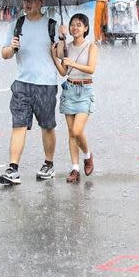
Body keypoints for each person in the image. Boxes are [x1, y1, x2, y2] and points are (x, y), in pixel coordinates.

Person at [0, 0, 61, 185]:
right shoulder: (18, 24)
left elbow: (60, 55)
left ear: (42, 1)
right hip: (22, 83)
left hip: (46, 84)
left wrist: (61, 38)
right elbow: (5, 54)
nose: (27, 3)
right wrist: (12, 47)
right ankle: (13, 168)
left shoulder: (52, 24)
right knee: (19, 125)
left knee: (47, 126)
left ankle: (48, 164)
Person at [52, 13, 97, 182]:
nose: (75, 28)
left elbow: (91, 69)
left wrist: (73, 63)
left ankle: (87, 154)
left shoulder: (91, 46)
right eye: (72, 25)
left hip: (85, 90)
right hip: (69, 89)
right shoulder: (67, 47)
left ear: (86, 28)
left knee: (78, 131)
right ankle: (75, 169)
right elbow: (64, 72)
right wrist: (55, 56)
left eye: (79, 25)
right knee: (71, 134)